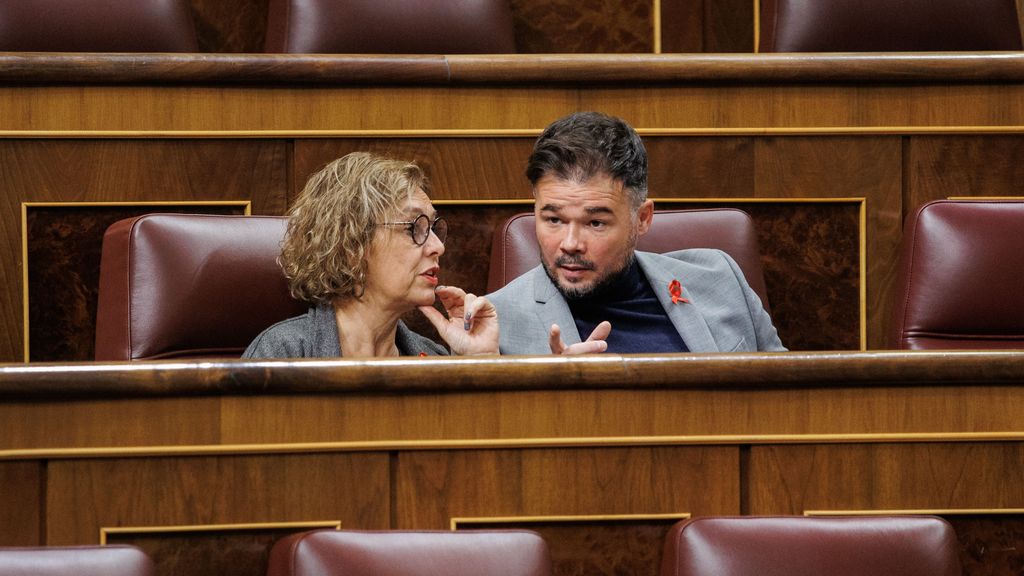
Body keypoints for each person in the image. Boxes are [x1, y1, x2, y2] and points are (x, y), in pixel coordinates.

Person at [487, 111, 785, 354]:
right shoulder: (495, 323)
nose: (570, 244)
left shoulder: (720, 278)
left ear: (642, 218)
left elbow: (789, 400)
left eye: (595, 223)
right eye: (553, 220)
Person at [244, 152, 498, 358]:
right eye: (414, 227)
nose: (438, 247)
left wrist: (482, 360)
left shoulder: (433, 359)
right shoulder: (281, 355)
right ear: (350, 244)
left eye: (432, 228)